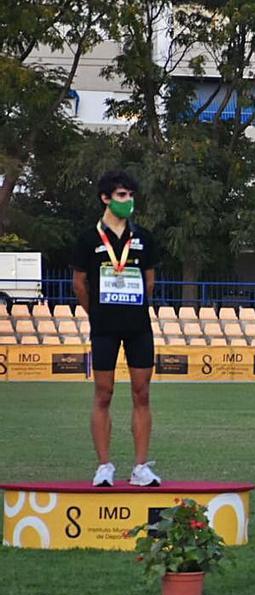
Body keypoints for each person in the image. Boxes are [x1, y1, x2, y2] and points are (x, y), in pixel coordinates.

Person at [71, 170, 163, 487]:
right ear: (106, 198)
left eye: (131, 195)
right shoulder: (88, 239)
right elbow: (79, 284)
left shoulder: (144, 238)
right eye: (122, 195)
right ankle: (104, 466)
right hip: (104, 327)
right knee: (103, 393)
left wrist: (131, 307)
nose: (128, 201)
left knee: (142, 393)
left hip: (138, 326)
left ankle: (140, 468)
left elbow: (149, 284)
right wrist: (96, 313)